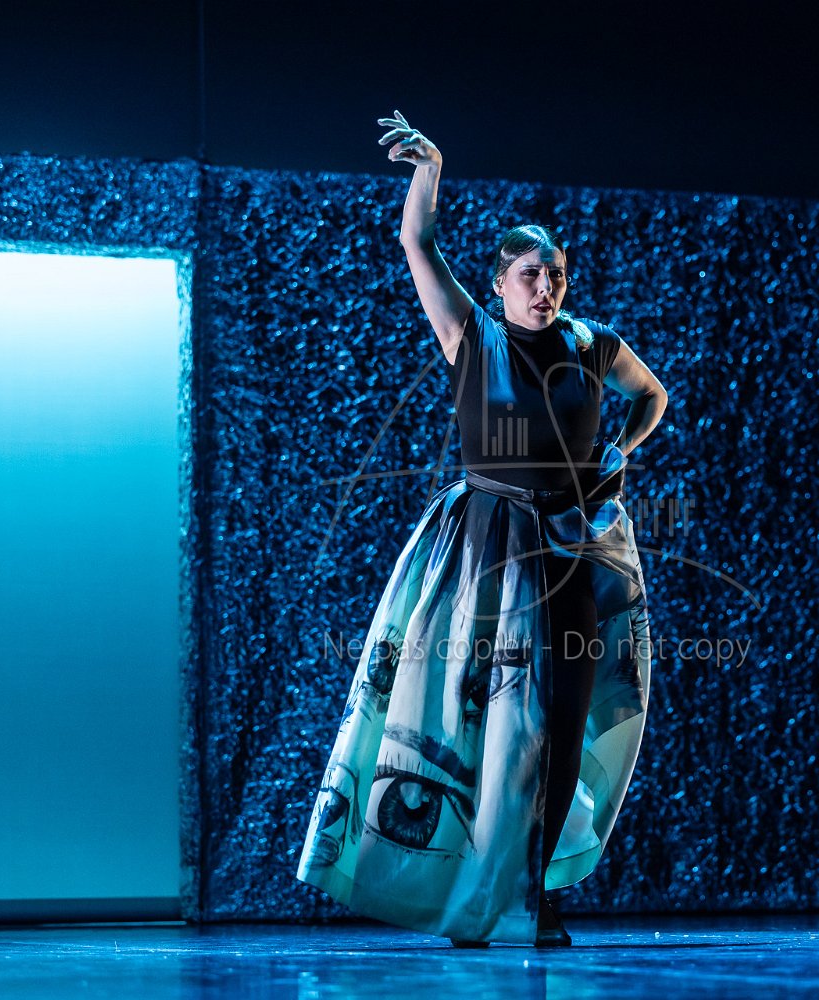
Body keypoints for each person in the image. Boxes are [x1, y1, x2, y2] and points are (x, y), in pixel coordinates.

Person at [295, 110, 668, 947]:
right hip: (488, 553)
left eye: (556, 274)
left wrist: (620, 449)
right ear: (500, 283)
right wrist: (431, 168)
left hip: (567, 549)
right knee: (490, 727)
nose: (546, 288)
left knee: (562, 719)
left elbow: (653, 396)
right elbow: (417, 242)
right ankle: (471, 888)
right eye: (530, 275)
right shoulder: (473, 337)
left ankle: (535, 892)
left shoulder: (593, 345)